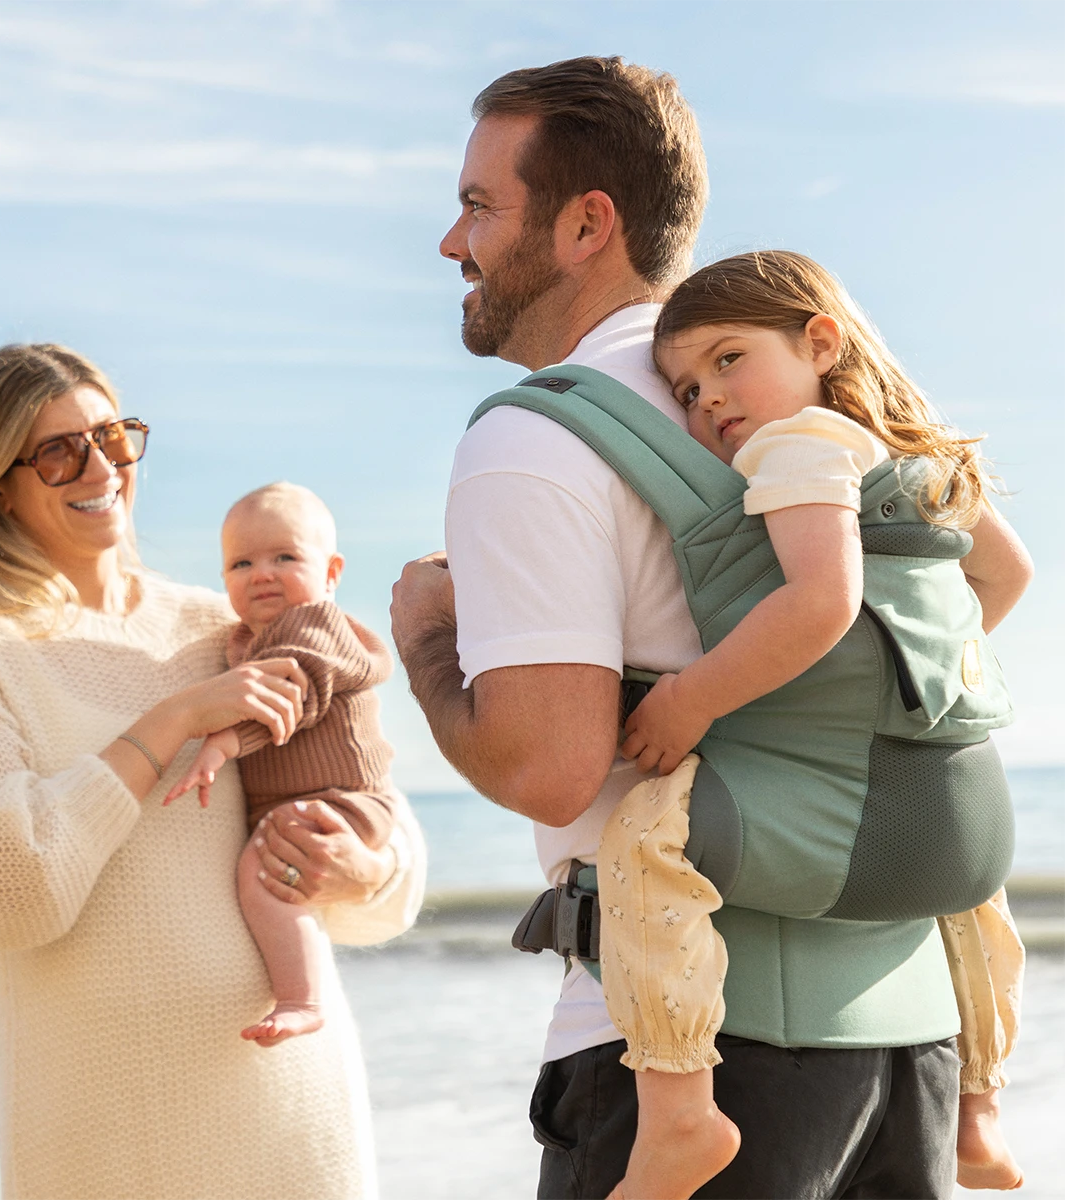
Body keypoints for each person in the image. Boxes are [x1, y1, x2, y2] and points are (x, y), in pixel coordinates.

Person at [390, 56, 986, 1200]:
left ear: (586, 224)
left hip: (691, 1059)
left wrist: (428, 644)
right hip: (909, 1041)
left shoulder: (536, 439)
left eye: (477, 206)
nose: (450, 243)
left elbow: (552, 767)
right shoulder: (798, 393)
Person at [0, 344, 426, 1200]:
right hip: (107, 1146)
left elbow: (381, 856)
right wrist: (174, 721)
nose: (100, 467)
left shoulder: (231, 622)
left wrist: (363, 867)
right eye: (60, 450)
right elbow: (0, 890)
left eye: (113, 436)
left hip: (294, 1125)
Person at [597, 248, 1030, 1196]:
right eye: (684, 386)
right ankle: (983, 1107)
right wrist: (896, 686)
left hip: (840, 828)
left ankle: (678, 1111)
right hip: (966, 827)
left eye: (727, 359)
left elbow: (819, 604)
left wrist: (691, 698)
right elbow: (1007, 575)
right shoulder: (927, 459)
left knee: (637, 845)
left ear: (819, 341)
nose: (706, 398)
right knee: (967, 918)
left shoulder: (796, 445)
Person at [166, 481, 402, 1046]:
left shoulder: (312, 625)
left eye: (285, 557)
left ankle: (303, 998)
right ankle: (301, 993)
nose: (261, 573)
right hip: (319, 798)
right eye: (240, 563)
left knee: (263, 875)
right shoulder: (252, 638)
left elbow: (291, 688)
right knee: (273, 875)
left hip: (340, 799)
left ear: (331, 572)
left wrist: (222, 742)